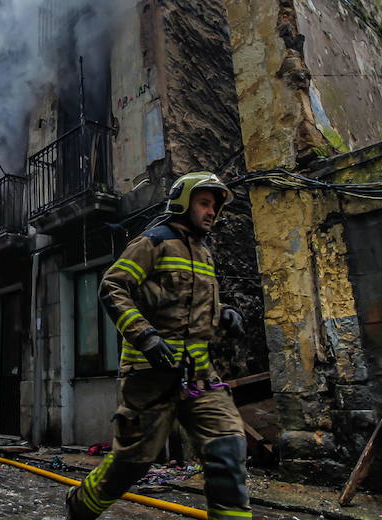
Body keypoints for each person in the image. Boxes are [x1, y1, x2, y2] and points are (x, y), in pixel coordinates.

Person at [66, 171, 251, 520]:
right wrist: (146, 336)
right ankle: (79, 507)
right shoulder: (153, 242)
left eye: (214, 206)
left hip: (199, 379)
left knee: (228, 448)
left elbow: (193, 303)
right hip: (149, 376)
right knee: (131, 464)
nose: (211, 212)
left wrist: (224, 313)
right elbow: (112, 287)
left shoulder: (205, 253)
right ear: (183, 203)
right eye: (204, 203)